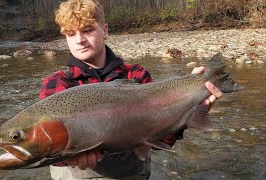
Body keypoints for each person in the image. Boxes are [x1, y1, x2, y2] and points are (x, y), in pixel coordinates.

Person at [39, 0, 222, 179]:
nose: (79, 40)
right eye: (71, 34)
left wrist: (187, 105)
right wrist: (70, 157)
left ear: (105, 31)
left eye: (87, 30)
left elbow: (160, 140)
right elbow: (42, 148)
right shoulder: (58, 83)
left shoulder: (136, 75)